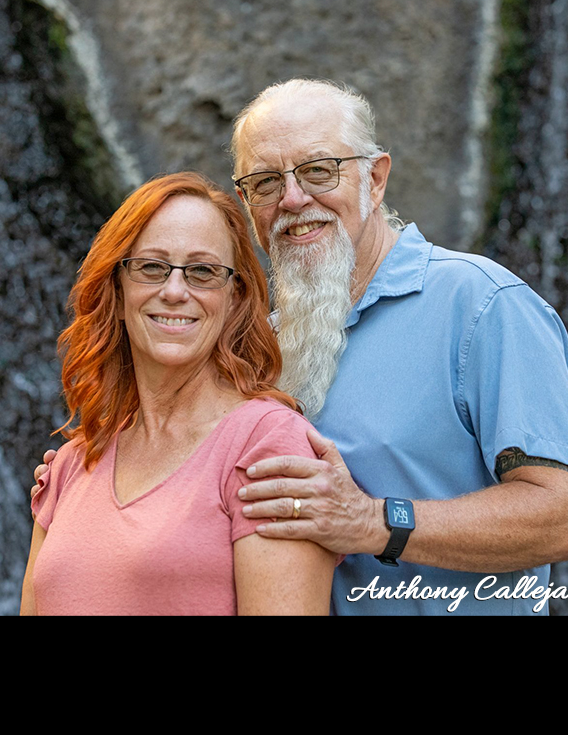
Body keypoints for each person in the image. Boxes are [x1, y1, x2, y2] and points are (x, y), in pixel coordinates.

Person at [34, 79, 568, 615]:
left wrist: (376, 523)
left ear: (374, 180)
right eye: (266, 183)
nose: (294, 199)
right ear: (246, 202)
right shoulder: (259, 342)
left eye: (318, 171)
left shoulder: (480, 306)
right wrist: (93, 484)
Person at [20, 171, 336, 615]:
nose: (174, 291)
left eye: (203, 272)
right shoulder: (71, 465)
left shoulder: (267, 445)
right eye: (151, 267)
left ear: (235, 297)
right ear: (117, 286)